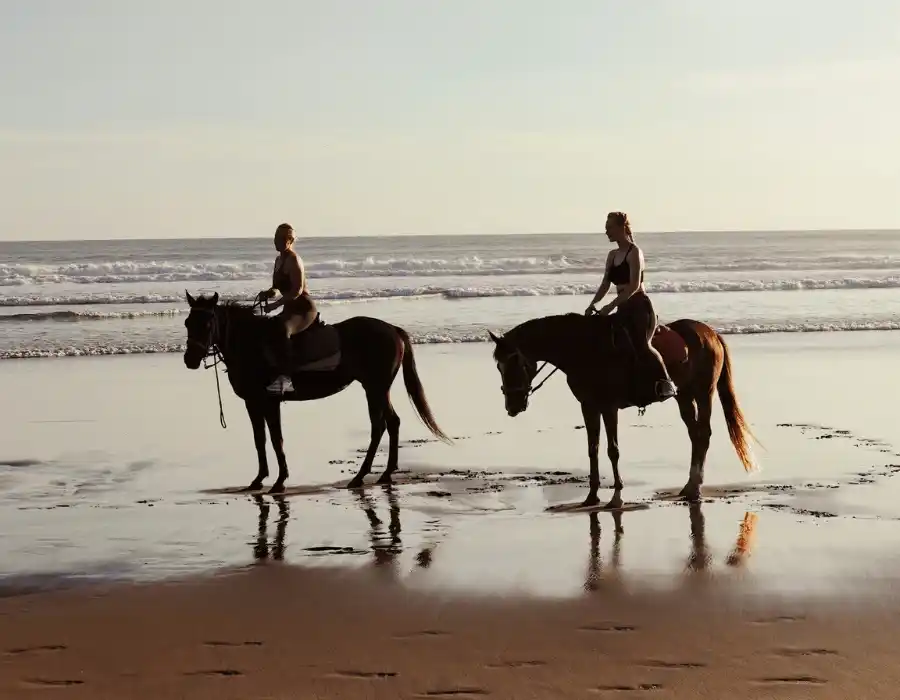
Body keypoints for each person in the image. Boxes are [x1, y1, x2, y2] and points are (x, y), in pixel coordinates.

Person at [584, 211, 677, 407]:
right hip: (622, 307)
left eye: (609, 227)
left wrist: (609, 306)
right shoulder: (612, 255)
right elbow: (605, 284)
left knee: (643, 345)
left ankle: (666, 383)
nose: (606, 231)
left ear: (621, 228)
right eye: (606, 227)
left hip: (640, 307)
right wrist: (593, 304)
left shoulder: (634, 252)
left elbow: (634, 286)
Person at [259, 223, 318, 393]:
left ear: (290, 241)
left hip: (303, 308)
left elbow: (297, 290)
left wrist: (276, 305)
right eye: (276, 238)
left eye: (282, 238)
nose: (277, 241)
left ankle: (286, 379)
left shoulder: (294, 259)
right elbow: (277, 288)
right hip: (289, 308)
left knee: (282, 329)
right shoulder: (278, 260)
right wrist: (269, 293)